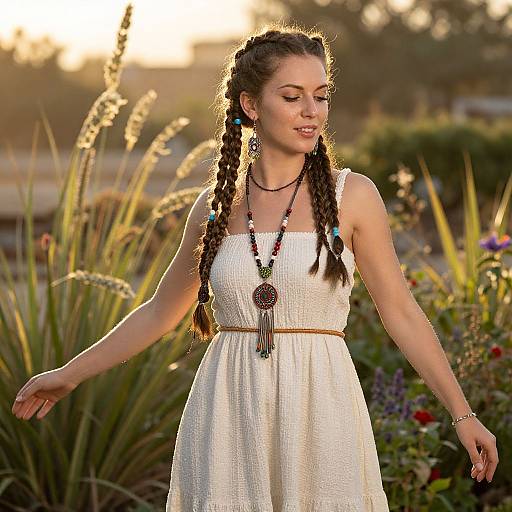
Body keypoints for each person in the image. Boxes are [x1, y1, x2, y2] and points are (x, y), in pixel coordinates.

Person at [12, 25, 498, 511]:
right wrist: (70, 374)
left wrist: (462, 413)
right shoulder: (215, 206)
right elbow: (161, 312)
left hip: (320, 407)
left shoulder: (354, 196)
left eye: (321, 95)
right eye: (292, 96)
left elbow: (402, 313)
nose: (312, 111)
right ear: (250, 105)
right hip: (229, 408)